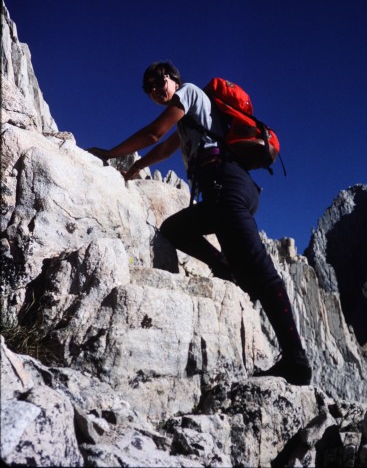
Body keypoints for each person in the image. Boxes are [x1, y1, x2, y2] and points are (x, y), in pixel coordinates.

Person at [88, 60, 312, 386]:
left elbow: (154, 133)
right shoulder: (189, 121)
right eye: (148, 89)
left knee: (262, 272)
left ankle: (296, 360)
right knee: (174, 229)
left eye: (158, 81)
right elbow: (163, 149)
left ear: (173, 79)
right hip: (222, 194)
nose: (154, 90)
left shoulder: (189, 93)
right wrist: (134, 171)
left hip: (229, 187)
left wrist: (109, 153)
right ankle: (226, 268)